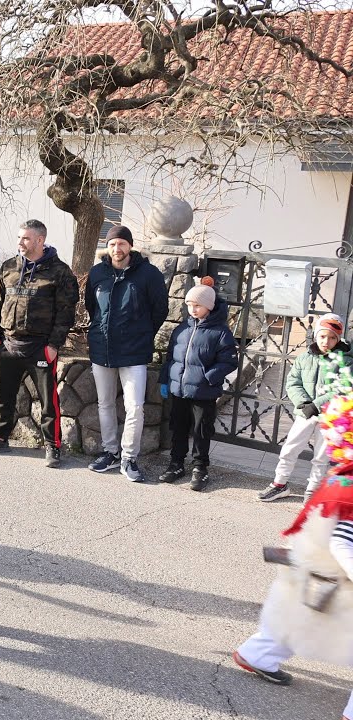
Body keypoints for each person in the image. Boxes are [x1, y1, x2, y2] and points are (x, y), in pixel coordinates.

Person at [231, 455, 353, 720]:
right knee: (307, 619)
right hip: (336, 577)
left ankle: (258, 654)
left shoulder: (345, 476)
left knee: (302, 619)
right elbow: (342, 541)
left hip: (318, 572)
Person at [0, 219, 79, 468]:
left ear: (40, 240)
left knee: (48, 402)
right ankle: (0, 438)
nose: (20, 242)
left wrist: (53, 345)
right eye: (19, 237)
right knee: (4, 397)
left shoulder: (60, 271)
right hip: (8, 345)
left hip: (40, 347)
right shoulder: (9, 267)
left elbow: (66, 312)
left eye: (25, 238)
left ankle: (52, 446)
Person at [84, 225, 168, 482]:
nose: (116, 249)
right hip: (102, 349)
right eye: (112, 244)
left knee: (135, 407)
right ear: (107, 247)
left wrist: (141, 333)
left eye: (121, 243)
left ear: (130, 246)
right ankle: (110, 452)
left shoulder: (149, 274)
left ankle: (129, 458)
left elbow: (160, 310)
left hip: (134, 352)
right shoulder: (97, 273)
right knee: (105, 403)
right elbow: (91, 307)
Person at [157, 277, 238, 491]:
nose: (193, 310)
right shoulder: (181, 329)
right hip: (179, 390)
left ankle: (200, 468)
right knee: (178, 427)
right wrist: (165, 380)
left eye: (198, 305)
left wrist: (208, 377)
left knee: (201, 430)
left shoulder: (220, 332)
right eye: (190, 305)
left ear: (209, 306)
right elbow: (171, 358)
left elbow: (229, 361)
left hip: (203, 392)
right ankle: (176, 463)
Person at [260, 314, 352, 502]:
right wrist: (303, 403)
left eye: (332, 337)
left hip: (330, 417)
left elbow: (343, 388)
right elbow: (293, 382)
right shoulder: (305, 358)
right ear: (316, 335)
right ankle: (280, 483)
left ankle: (313, 490)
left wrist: (316, 405)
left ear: (338, 339)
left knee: (321, 456)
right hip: (305, 413)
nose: (326, 341)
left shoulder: (346, 361)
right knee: (290, 448)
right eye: (323, 336)